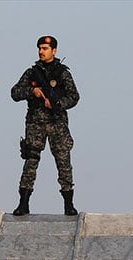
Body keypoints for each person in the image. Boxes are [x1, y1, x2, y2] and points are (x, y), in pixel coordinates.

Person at [11, 35, 80, 216]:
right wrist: (32, 91)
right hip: (35, 123)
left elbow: (74, 97)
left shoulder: (63, 74)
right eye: (40, 48)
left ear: (54, 51)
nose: (41, 51)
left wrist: (57, 104)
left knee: (63, 162)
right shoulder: (32, 73)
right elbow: (15, 92)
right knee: (31, 161)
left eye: (45, 49)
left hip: (57, 123)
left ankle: (68, 204)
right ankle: (23, 203)